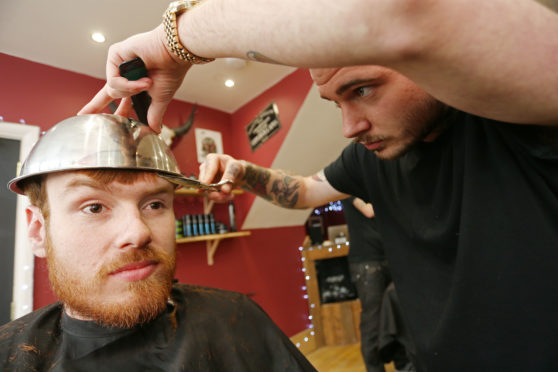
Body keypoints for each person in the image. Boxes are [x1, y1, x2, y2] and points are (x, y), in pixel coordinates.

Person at [79, 1, 558, 370]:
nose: (350, 125)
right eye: (334, 102)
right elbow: (305, 191)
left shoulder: (519, 120)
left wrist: (174, 39)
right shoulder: (372, 157)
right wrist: (243, 171)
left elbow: (406, 14)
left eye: (363, 89)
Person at [0, 115, 316, 371]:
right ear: (38, 230)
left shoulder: (239, 318)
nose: (138, 233)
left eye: (154, 204)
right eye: (94, 207)